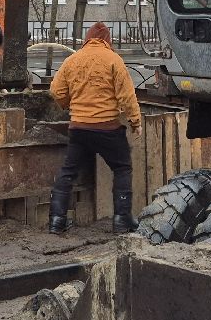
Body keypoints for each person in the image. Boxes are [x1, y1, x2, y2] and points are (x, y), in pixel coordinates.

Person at [47, 22, 142, 234]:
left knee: (68, 171)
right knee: (122, 168)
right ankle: (122, 219)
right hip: (108, 128)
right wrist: (135, 122)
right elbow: (127, 96)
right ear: (107, 40)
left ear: (87, 39)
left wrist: (69, 105)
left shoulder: (72, 60)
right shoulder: (114, 60)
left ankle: (56, 220)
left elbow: (56, 90)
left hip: (79, 129)